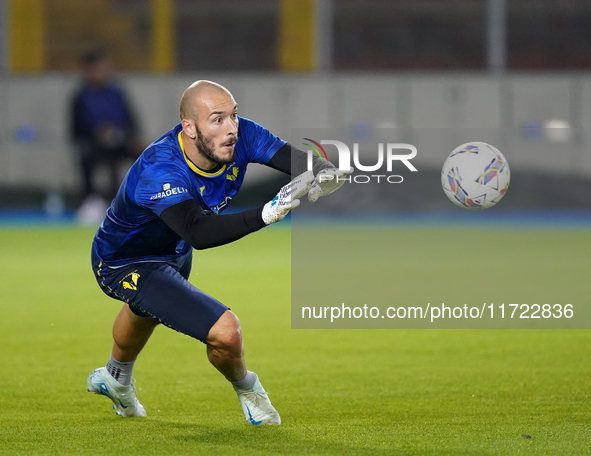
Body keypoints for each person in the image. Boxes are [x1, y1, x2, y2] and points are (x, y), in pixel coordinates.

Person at [86, 80, 350, 425]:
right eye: (217, 119)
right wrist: (269, 211)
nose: (231, 129)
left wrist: (323, 171)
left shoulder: (242, 135)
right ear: (190, 128)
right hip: (125, 261)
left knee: (143, 310)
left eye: (234, 116)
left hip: (173, 250)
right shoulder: (160, 168)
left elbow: (297, 160)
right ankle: (248, 389)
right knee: (226, 333)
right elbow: (199, 232)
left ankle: (115, 378)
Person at [70, 49, 142, 207]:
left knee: (144, 154)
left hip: (120, 141)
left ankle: (141, 198)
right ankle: (91, 200)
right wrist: (96, 134)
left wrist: (128, 135)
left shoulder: (116, 93)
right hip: (93, 145)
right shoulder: (81, 97)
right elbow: (75, 131)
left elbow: (131, 122)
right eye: (95, 69)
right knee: (86, 158)